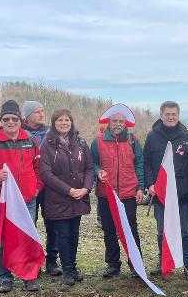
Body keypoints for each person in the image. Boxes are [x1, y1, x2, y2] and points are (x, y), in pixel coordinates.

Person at [0, 100, 44, 293]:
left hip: (27, 200)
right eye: (6, 119)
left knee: (27, 237)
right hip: (1, 201)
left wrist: (36, 188)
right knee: (1, 239)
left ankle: (28, 275)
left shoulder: (31, 140)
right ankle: (4, 277)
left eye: (14, 118)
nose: (10, 122)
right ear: (1, 120)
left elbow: (39, 168)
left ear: (20, 120)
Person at [143, 101, 188, 281]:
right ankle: (164, 263)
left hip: (181, 195)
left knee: (185, 231)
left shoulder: (187, 137)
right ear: (161, 115)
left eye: (174, 114)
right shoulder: (152, 136)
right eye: (167, 114)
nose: (171, 117)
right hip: (160, 194)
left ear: (178, 115)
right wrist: (150, 184)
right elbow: (147, 163)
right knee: (162, 231)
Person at [40, 108, 94, 286]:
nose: (64, 123)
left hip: (79, 196)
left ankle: (73, 266)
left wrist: (85, 188)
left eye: (67, 120)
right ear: (54, 124)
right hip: (58, 197)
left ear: (71, 122)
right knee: (62, 234)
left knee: (74, 233)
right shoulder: (47, 144)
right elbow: (46, 174)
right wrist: (68, 190)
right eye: (60, 120)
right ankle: (68, 270)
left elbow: (89, 168)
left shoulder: (80, 142)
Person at [91, 104, 144, 279]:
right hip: (107, 194)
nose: (118, 124)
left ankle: (136, 264)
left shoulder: (133, 140)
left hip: (129, 192)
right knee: (109, 230)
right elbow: (92, 163)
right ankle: (113, 265)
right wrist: (98, 171)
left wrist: (140, 187)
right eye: (115, 121)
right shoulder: (98, 141)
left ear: (126, 123)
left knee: (131, 229)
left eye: (121, 121)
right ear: (109, 122)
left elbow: (140, 164)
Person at [21, 100, 60, 276]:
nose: (42, 114)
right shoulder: (20, 133)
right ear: (27, 116)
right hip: (31, 184)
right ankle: (32, 261)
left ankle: (52, 260)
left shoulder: (52, 133)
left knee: (52, 223)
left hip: (51, 184)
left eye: (43, 111)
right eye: (37, 112)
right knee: (30, 223)